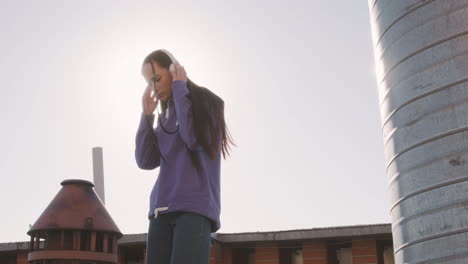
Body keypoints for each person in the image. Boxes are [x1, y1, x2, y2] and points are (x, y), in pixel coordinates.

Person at [135, 49, 234, 264]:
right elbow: (144, 161)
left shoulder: (208, 101)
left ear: (174, 70)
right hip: (160, 211)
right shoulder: (166, 115)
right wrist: (147, 117)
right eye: (149, 83)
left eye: (157, 79)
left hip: (192, 208)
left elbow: (193, 139)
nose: (154, 87)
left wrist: (180, 89)